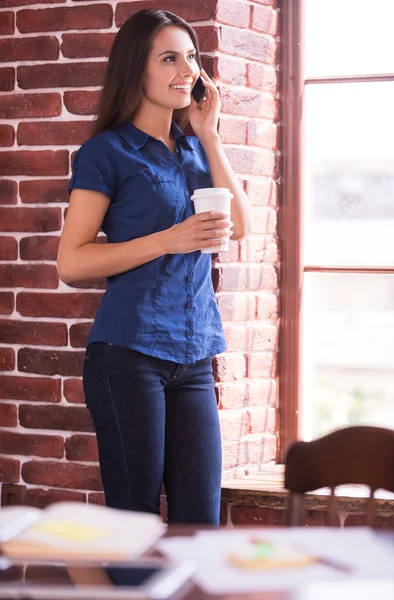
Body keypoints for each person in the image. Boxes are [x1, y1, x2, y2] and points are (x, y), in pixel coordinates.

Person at [57, 8, 252, 525]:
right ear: (135, 70)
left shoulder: (192, 150)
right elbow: (72, 261)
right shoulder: (107, 152)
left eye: (190, 57)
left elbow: (242, 226)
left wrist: (209, 135)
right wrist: (170, 239)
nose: (186, 69)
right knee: (135, 527)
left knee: (199, 524)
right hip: (127, 355)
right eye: (169, 58)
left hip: (193, 357)